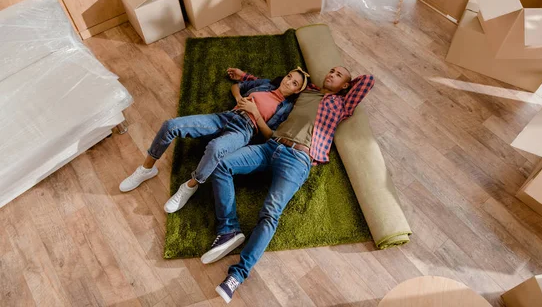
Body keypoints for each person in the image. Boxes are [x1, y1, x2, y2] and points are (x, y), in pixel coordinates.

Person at [204, 66, 375, 304]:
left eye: (338, 74)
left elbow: (368, 80)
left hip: (298, 160)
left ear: (346, 86)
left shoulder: (342, 105)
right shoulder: (307, 92)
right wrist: (245, 77)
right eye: (331, 70)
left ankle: (237, 275)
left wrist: (344, 85)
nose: (331, 73)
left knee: (270, 214)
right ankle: (228, 229)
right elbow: (279, 84)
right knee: (222, 165)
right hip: (270, 146)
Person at [119, 67, 310, 214]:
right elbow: (237, 86)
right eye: (289, 77)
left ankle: (189, 187)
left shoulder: (286, 108)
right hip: (226, 116)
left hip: (244, 130)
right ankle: (146, 169)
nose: (289, 82)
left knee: (216, 147)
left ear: (296, 91)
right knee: (171, 125)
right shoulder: (266, 84)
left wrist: (255, 113)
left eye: (294, 83)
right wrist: (239, 99)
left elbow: (270, 135)